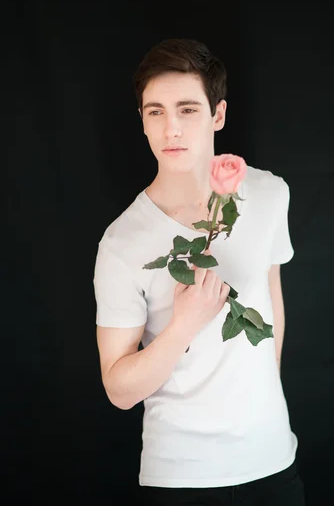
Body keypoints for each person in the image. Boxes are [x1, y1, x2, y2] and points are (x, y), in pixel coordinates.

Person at [93, 38, 305, 505]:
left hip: (273, 464)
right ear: (143, 122)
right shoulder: (121, 242)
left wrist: (263, 395)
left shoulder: (269, 195)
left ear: (218, 115)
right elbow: (119, 391)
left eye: (187, 109)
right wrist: (182, 326)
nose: (171, 128)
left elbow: (270, 298)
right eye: (155, 112)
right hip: (180, 478)